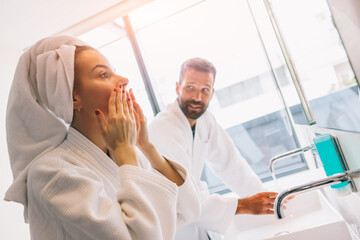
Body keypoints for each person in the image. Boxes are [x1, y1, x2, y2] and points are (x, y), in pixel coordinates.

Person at [4, 35, 201, 240]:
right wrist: (126, 153)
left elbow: (188, 211)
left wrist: (146, 146)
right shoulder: (51, 172)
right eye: (104, 74)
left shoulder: (128, 156)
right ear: (72, 97)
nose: (124, 80)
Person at [148, 57, 278, 239]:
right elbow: (184, 197)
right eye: (190, 87)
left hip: (198, 219)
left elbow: (232, 165)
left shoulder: (205, 121)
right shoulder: (163, 128)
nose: (197, 97)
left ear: (212, 93)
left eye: (205, 90)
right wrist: (244, 205)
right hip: (173, 229)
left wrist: (267, 201)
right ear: (178, 88)